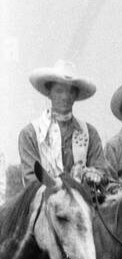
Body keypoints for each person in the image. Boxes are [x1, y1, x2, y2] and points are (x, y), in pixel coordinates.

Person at [17, 59, 109, 195]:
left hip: (82, 203)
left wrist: (92, 175)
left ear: (76, 95)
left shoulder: (89, 133)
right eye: (59, 91)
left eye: (71, 91)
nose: (65, 97)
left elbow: (102, 173)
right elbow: (32, 181)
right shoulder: (31, 133)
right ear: (49, 93)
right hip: (46, 206)